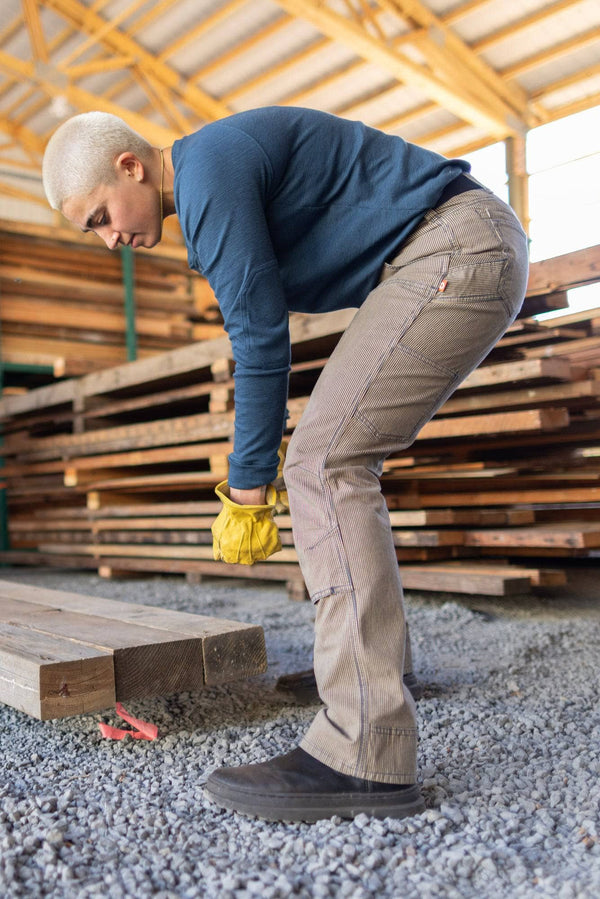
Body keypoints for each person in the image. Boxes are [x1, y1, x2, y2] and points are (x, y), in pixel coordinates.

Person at [43, 106, 529, 823]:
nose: (111, 238)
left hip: (455, 248)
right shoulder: (212, 189)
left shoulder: (209, 172)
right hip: (453, 246)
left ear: (130, 166)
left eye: (100, 218)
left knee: (326, 463)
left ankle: (363, 744)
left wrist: (245, 489)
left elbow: (262, 341)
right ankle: (376, 675)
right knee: (336, 458)